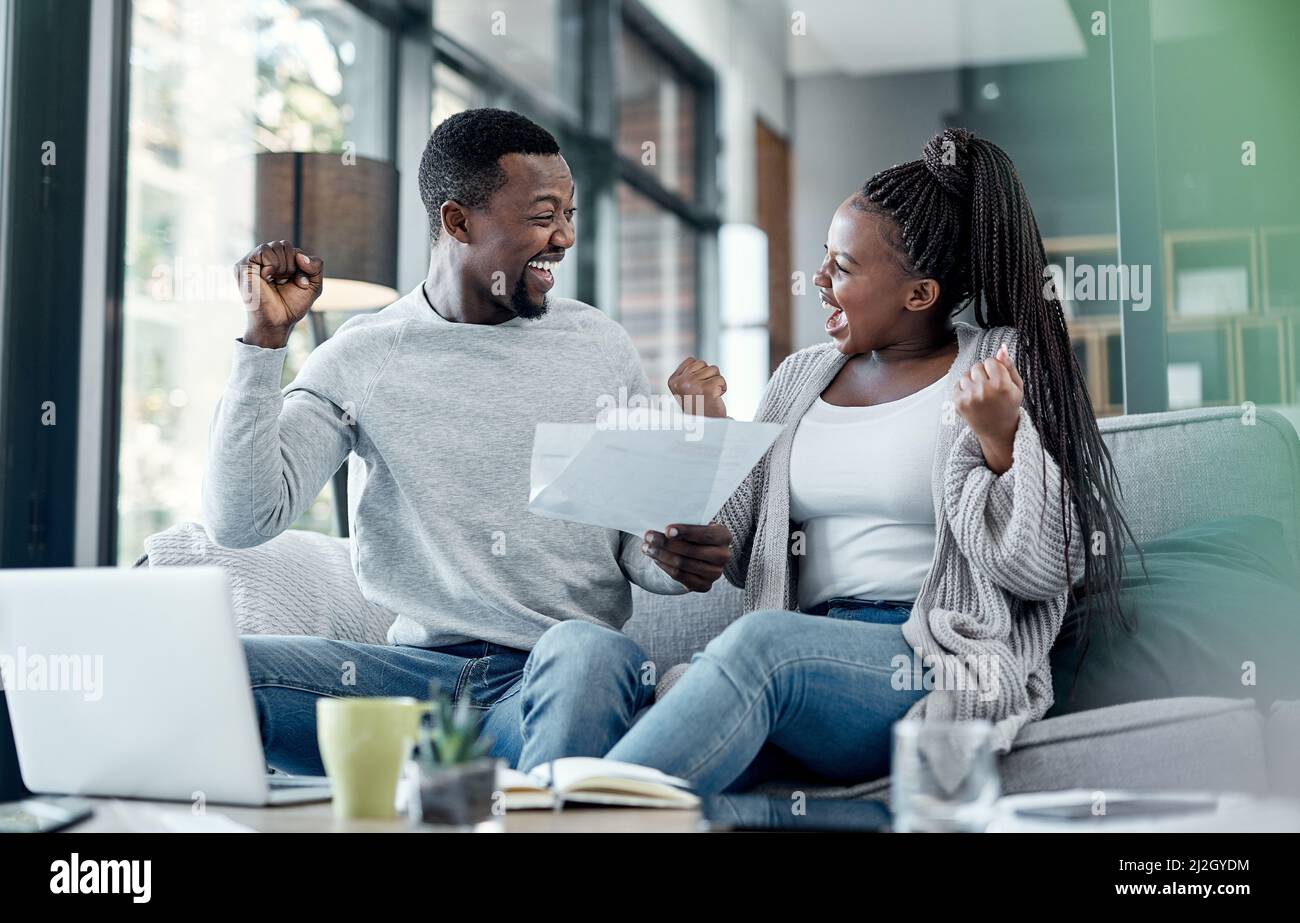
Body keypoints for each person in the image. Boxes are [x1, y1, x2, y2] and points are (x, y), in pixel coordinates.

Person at [603, 127, 1138, 794]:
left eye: (844, 268)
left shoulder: (997, 363)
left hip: (927, 653)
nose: (819, 282)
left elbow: (1049, 564)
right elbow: (737, 551)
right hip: (810, 653)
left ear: (919, 294)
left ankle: (563, 819)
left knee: (757, 647)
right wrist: (709, 430)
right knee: (711, 771)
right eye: (823, 260)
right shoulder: (800, 377)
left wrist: (1003, 445)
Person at [202, 108, 731, 776]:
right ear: (458, 221)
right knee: (218, 670)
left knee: (591, 651)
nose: (565, 237)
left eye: (570, 213)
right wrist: (263, 343)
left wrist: (675, 559)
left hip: (552, 676)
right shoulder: (363, 354)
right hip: (408, 688)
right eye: (544, 215)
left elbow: (637, 552)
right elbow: (241, 518)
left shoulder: (599, 347)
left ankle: (547, 813)